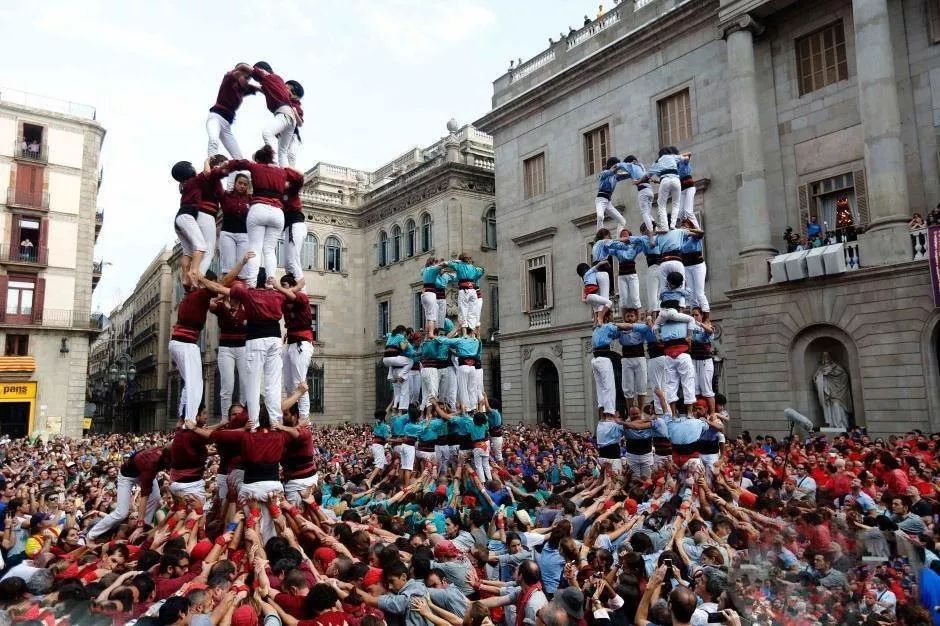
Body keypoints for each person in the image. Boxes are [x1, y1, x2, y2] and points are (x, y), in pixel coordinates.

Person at [199, 267, 287, 429]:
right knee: (273, 382)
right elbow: (292, 294)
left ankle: (253, 423)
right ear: (267, 281)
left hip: (256, 339)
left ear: (253, 280)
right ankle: (275, 421)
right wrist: (279, 286)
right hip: (275, 338)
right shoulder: (277, 294)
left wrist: (200, 278)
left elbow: (218, 288)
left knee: (252, 383)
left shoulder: (248, 294)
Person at [224, 146, 304, 288]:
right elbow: (299, 178)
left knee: (255, 247)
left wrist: (226, 165)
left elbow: (240, 163)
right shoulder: (281, 171)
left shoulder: (256, 167)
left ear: (259, 159)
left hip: (259, 209)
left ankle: (251, 282)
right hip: (277, 213)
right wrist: (287, 176)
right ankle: (270, 282)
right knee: (269, 249)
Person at [85, 446, 170, 542]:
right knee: (121, 513)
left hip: (142, 471)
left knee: (156, 498)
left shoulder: (169, 451)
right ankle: (90, 536)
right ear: (166, 458)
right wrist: (139, 525)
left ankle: (144, 528)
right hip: (127, 477)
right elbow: (144, 497)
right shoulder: (151, 463)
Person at [171, 159, 227, 287]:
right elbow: (208, 173)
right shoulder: (200, 180)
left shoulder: (186, 184)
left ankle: (185, 277)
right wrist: (207, 161)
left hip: (182, 217)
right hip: (195, 215)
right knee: (204, 248)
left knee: (188, 252)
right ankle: (195, 274)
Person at [251, 61, 302, 167]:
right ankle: (285, 171)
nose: (285, 88)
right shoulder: (274, 86)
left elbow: (300, 123)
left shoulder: (272, 78)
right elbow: (263, 89)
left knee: (267, 133)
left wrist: (241, 68)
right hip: (287, 123)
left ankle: (273, 161)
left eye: (287, 88)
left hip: (287, 121)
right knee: (282, 151)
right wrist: (249, 86)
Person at [280, 274, 314, 421]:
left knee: (300, 382)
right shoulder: (284, 300)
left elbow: (291, 295)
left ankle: (304, 417)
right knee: (288, 384)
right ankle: (292, 414)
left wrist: (296, 288)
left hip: (302, 342)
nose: (282, 289)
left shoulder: (301, 297)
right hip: (291, 343)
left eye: (284, 286)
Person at [206, 62, 257, 159]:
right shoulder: (228, 79)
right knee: (213, 141)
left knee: (238, 157)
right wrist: (245, 71)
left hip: (226, 125)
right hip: (215, 117)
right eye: (245, 74)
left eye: (249, 77)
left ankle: (241, 172)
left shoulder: (244, 88)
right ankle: (211, 166)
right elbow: (234, 73)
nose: (247, 78)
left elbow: (261, 89)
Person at [218, 172, 252, 279]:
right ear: (235, 183)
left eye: (245, 184)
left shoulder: (251, 199)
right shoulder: (226, 196)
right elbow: (215, 183)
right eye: (240, 183)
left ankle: (240, 293)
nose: (242, 186)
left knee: (244, 270)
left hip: (244, 235)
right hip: (227, 233)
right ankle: (226, 293)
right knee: (228, 268)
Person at [645, 148, 683, 232]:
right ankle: (673, 225)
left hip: (665, 181)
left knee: (661, 204)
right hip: (676, 180)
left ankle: (665, 226)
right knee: (676, 204)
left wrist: (639, 180)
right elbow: (685, 157)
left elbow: (648, 174)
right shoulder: (673, 157)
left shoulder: (658, 161)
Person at [595, 157, 629, 232]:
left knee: (622, 221)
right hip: (600, 200)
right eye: (616, 166)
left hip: (608, 202)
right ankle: (599, 237)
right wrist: (615, 167)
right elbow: (609, 172)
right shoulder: (603, 174)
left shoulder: (615, 176)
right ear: (612, 165)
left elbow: (627, 175)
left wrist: (630, 166)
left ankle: (618, 239)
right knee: (600, 216)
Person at [577, 260, 612, 327]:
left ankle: (595, 322)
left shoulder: (584, 277)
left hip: (588, 298)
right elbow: (599, 264)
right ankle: (600, 318)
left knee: (595, 307)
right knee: (609, 303)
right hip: (591, 295)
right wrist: (606, 261)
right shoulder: (590, 272)